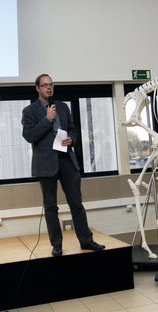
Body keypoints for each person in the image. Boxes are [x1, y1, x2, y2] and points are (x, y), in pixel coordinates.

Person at [21, 74, 105, 256]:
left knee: (77, 204)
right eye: (44, 85)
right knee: (51, 207)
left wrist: (71, 139)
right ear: (37, 88)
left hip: (67, 159)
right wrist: (47, 119)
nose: (48, 88)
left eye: (50, 85)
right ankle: (57, 245)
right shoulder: (29, 111)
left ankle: (86, 241)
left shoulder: (63, 106)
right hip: (45, 164)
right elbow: (29, 136)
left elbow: (73, 129)